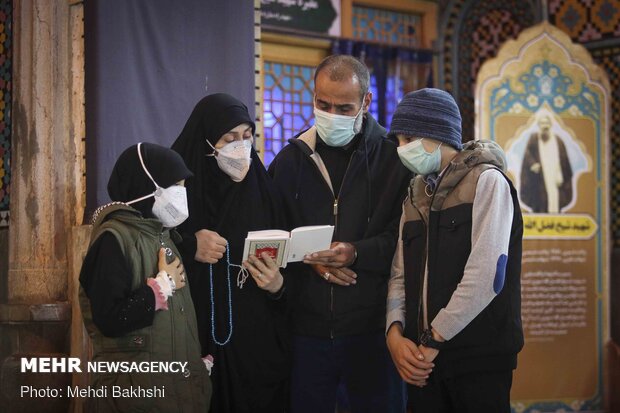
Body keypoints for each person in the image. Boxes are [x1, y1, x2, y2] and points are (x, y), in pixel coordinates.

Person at [268, 54, 410, 413]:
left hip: (373, 329)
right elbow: (272, 237)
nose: (332, 115)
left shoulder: (395, 159)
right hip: (307, 330)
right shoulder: (289, 161)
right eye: (323, 104)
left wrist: (356, 252)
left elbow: (406, 237)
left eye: (344, 108)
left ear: (366, 102)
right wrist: (310, 259)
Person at [385, 88, 524, 412]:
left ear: (436, 133)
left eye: (408, 139)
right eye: (400, 142)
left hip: (478, 359)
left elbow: (488, 274)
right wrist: (394, 334)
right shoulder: (416, 194)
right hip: (424, 362)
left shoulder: (487, 182)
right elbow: (398, 273)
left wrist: (435, 338)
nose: (402, 150)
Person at [171, 93, 289, 413]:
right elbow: (150, 246)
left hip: (256, 346)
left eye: (247, 136)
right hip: (195, 339)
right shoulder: (176, 191)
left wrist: (278, 285)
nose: (241, 146)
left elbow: (292, 272)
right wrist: (189, 245)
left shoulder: (265, 193)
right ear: (207, 141)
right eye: (229, 137)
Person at [79, 142, 211, 413]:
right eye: (175, 185)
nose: (181, 193)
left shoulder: (163, 237)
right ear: (146, 185)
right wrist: (161, 287)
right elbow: (109, 318)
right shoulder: (112, 240)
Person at [520, 114, 573, 213]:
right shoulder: (534, 138)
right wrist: (533, 164)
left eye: (547, 123)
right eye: (542, 123)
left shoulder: (558, 140)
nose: (545, 126)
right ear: (539, 125)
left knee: (554, 199)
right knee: (541, 200)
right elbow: (528, 154)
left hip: (554, 176)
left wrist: (560, 173)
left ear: (550, 125)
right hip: (540, 177)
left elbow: (564, 160)